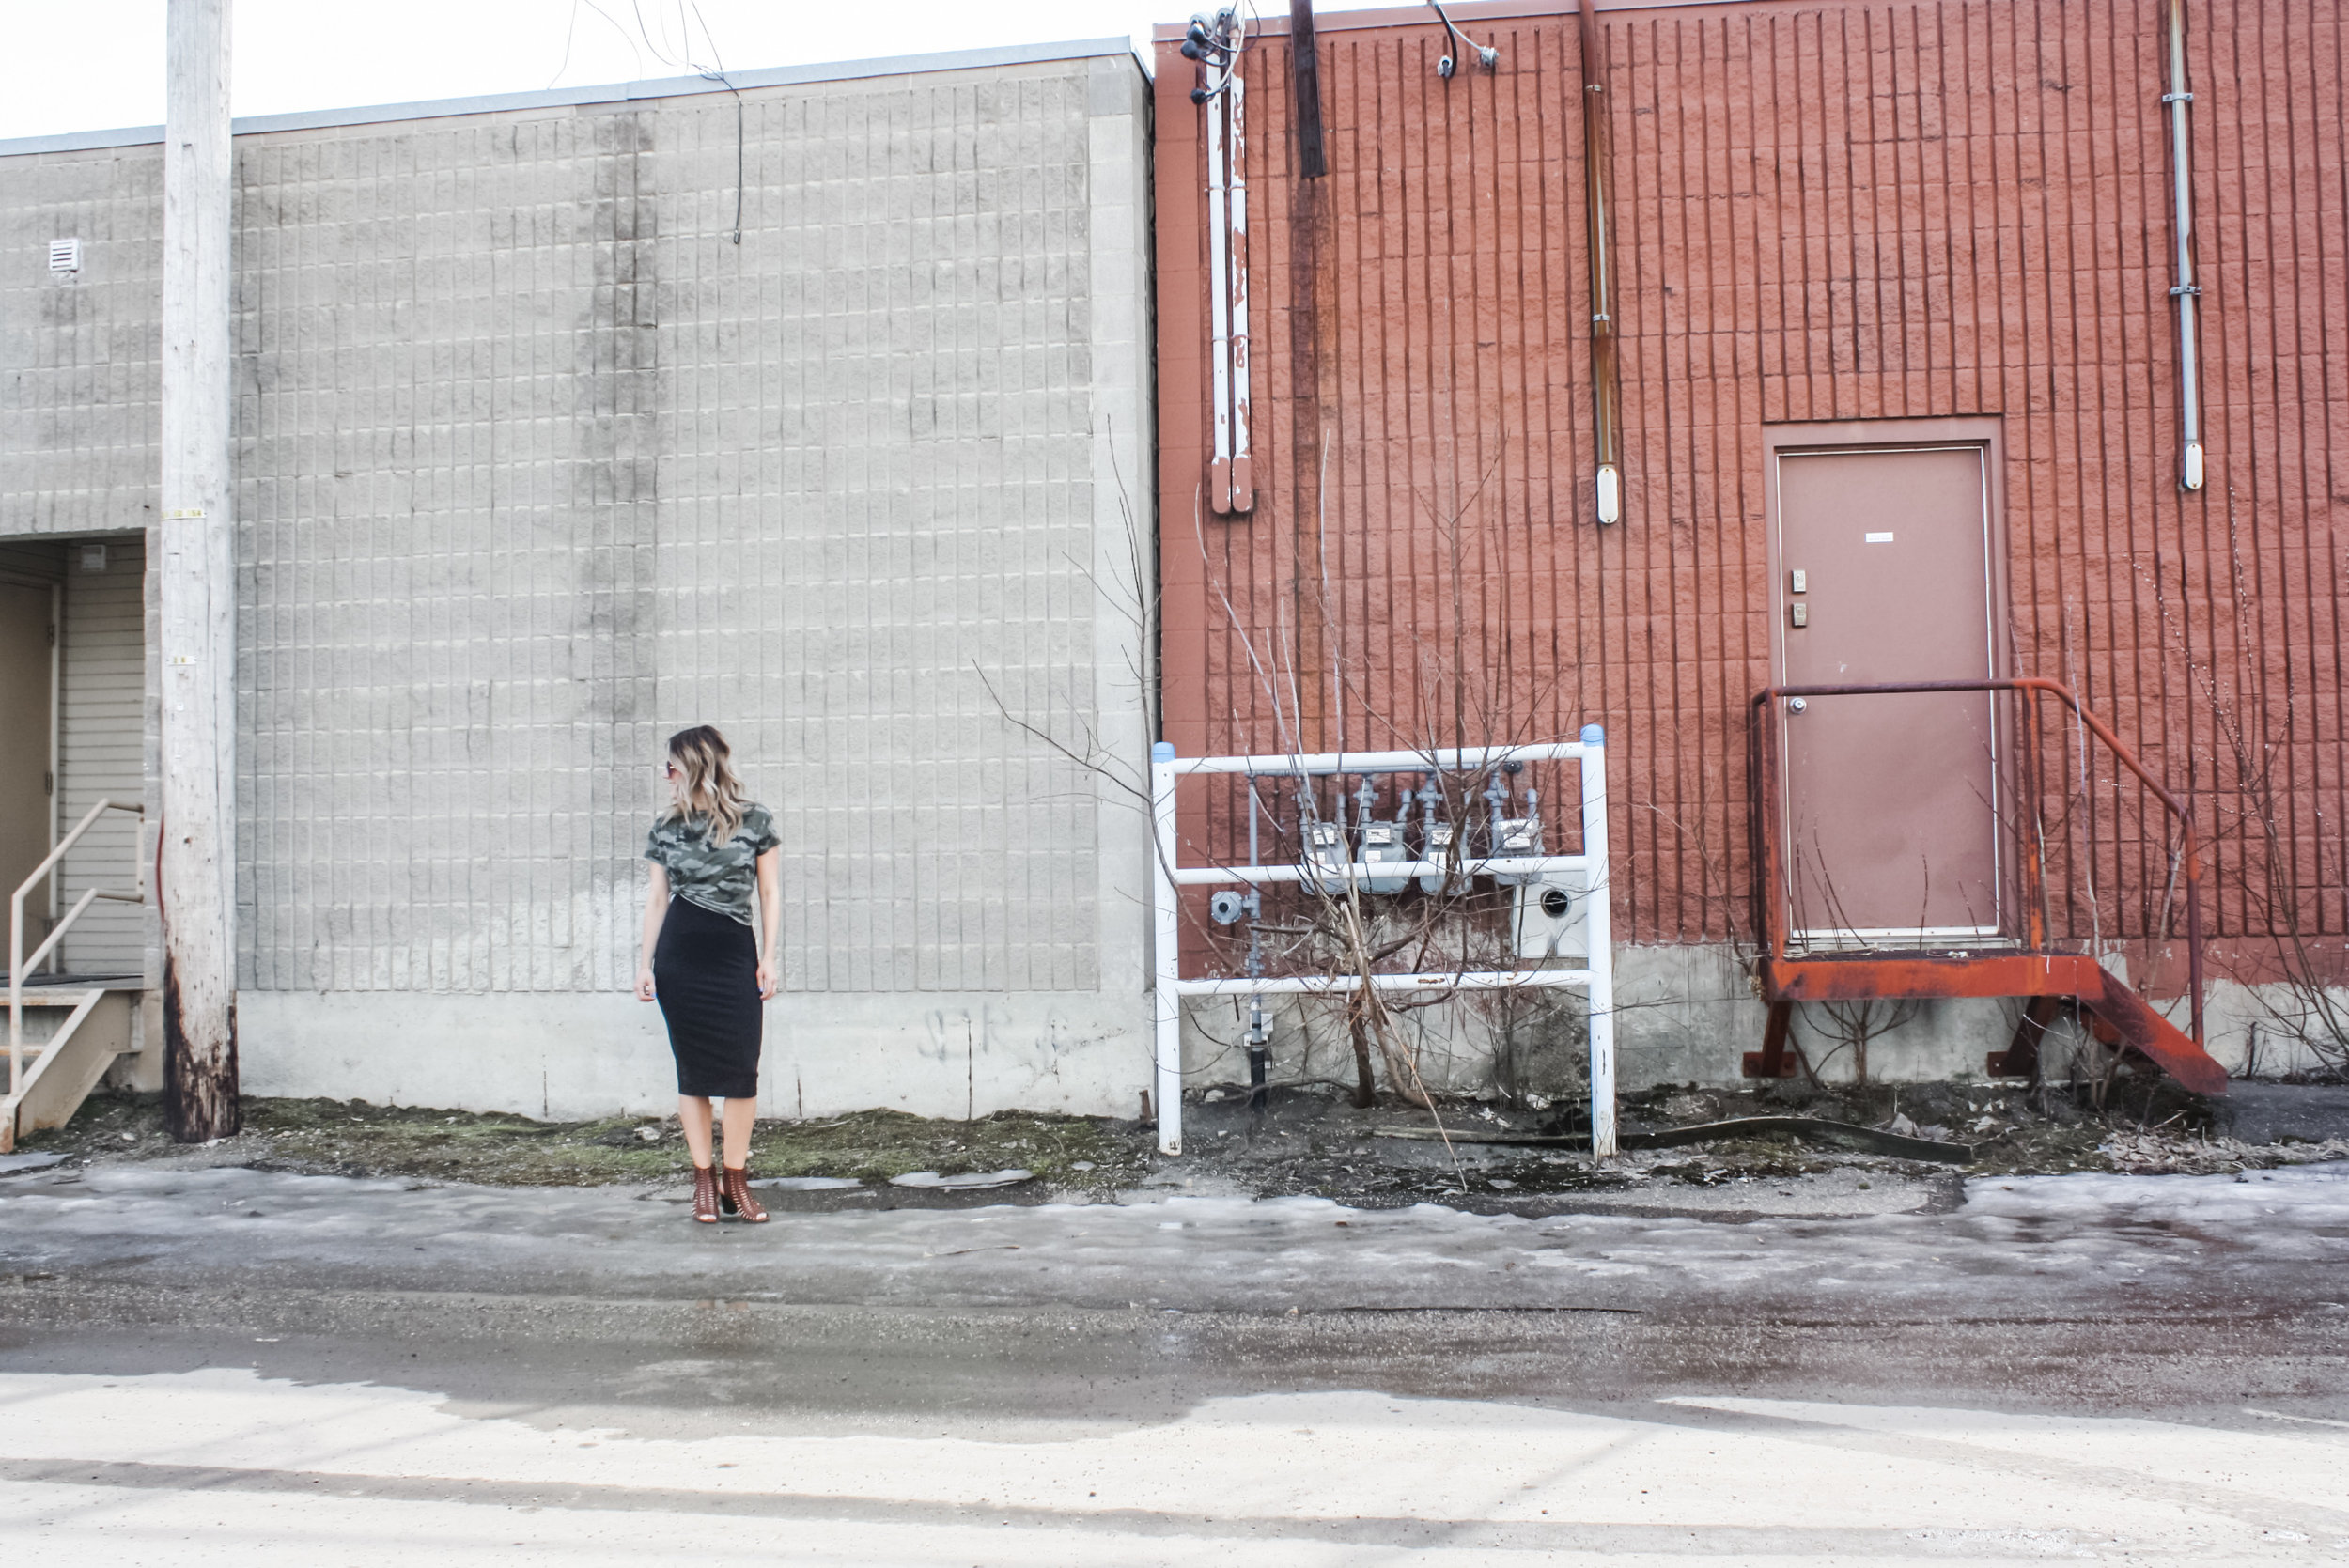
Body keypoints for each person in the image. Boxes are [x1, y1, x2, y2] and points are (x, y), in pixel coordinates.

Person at [635, 725, 782, 1223]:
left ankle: (736, 1183)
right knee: (693, 1073)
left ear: (694, 765)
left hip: (734, 954)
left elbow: (769, 893)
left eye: (670, 766)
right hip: (680, 958)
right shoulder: (665, 827)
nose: (665, 775)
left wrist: (769, 957)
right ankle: (703, 1182)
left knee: (742, 1072)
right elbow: (658, 898)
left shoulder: (755, 819)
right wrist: (644, 965)